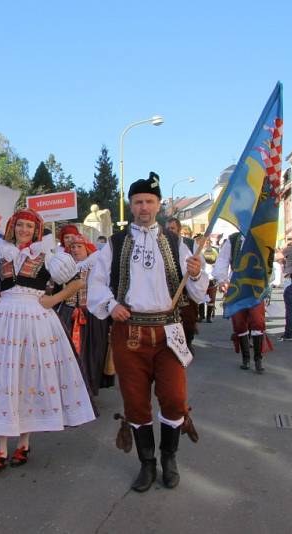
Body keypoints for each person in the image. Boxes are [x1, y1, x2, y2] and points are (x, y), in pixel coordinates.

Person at [88, 172, 208, 493]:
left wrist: (196, 274)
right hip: (129, 332)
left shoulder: (178, 243)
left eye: (149, 202)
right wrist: (111, 305)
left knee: (174, 398)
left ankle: (169, 459)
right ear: (131, 205)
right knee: (136, 403)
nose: (144, 207)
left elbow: (197, 291)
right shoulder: (114, 244)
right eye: (138, 202)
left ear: (158, 205)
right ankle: (147, 464)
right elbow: (96, 283)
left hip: (169, 331)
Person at [0, 208, 95, 476]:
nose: (24, 230)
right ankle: (1, 449)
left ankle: (24, 443)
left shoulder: (49, 257)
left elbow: (77, 282)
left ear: (36, 230)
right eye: (20, 225)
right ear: (12, 227)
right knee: (2, 381)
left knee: (27, 381)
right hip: (0, 322)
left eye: (29, 227)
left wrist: (52, 300)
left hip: (35, 322)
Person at [56, 234, 113, 398]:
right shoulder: (65, 267)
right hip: (68, 313)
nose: (75, 250)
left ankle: (87, 389)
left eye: (79, 246)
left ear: (87, 249)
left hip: (91, 315)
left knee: (92, 353)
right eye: (72, 247)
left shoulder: (96, 266)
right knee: (68, 353)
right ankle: (69, 390)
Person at [213, 231, 273, 373]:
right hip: (237, 286)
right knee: (239, 323)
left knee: (257, 321)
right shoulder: (233, 239)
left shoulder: (261, 237)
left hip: (255, 287)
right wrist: (222, 280)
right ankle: (246, 359)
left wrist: (267, 281)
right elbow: (222, 261)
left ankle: (258, 360)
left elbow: (268, 262)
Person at [165, 217, 201, 351]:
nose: (169, 231)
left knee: (188, 316)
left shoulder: (190, 245)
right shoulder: (158, 242)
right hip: (165, 288)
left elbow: (199, 265)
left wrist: (195, 272)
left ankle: (188, 342)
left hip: (185, 287)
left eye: (172, 228)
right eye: (167, 228)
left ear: (179, 230)